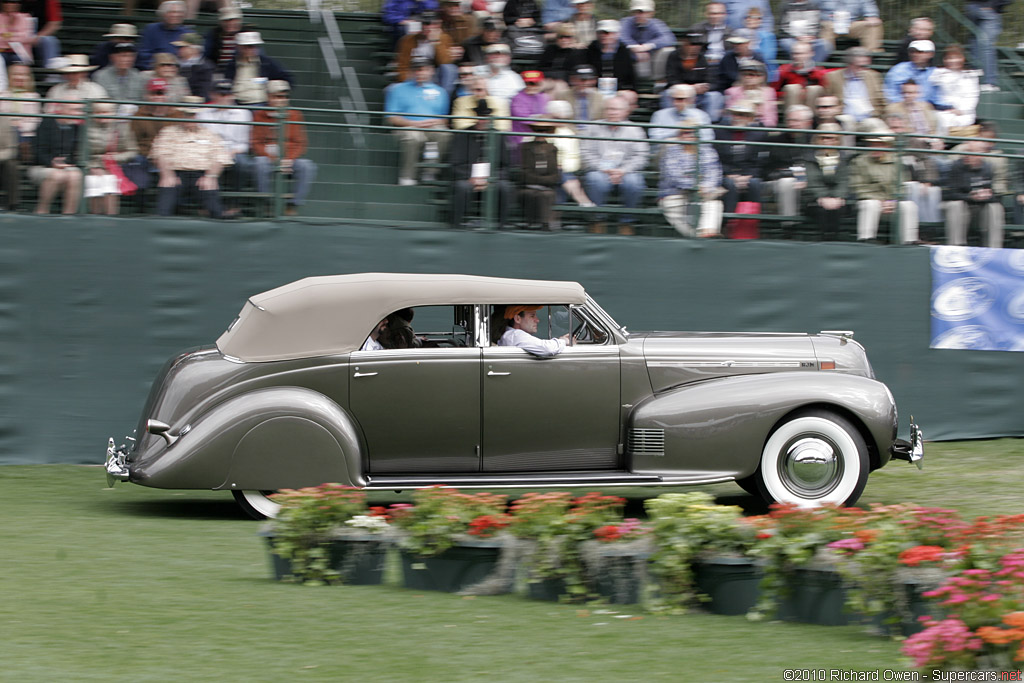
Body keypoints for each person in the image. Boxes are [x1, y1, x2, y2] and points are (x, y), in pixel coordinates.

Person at [150, 95, 232, 218]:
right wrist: (167, 174)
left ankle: (220, 219)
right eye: (187, 114)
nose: (190, 118)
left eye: (193, 115)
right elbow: (160, 153)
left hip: (202, 175)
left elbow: (220, 156)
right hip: (175, 174)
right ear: (182, 114)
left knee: (215, 209)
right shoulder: (168, 132)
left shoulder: (209, 134)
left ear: (197, 116)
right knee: (163, 209)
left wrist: (210, 176)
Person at [579, 95, 648, 234]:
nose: (612, 112)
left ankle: (626, 221)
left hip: (626, 171)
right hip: (600, 170)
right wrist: (604, 168)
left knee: (635, 183)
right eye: (609, 109)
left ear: (625, 112)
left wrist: (622, 170)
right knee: (594, 180)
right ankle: (598, 220)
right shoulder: (593, 128)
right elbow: (586, 153)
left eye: (616, 109)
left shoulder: (635, 130)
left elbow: (641, 156)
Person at [251, 80, 317, 216]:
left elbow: (301, 143)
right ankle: (267, 203)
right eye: (277, 96)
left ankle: (293, 204)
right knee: (259, 163)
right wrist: (273, 159)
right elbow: (256, 142)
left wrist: (289, 159)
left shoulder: (295, 114)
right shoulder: (259, 115)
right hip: (268, 158)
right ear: (268, 97)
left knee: (307, 166)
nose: (282, 100)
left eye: (285, 97)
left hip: (289, 159)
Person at [385, 56, 450, 186]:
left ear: (431, 71)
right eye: (417, 69)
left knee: (444, 134)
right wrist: (413, 124)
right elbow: (391, 117)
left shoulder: (440, 92)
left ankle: (430, 171)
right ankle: (407, 177)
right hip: (407, 127)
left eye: (424, 69)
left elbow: (444, 118)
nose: (420, 73)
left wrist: (432, 123)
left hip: (432, 127)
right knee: (413, 136)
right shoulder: (398, 89)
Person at [449, 98, 514, 228]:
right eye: (480, 117)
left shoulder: (498, 136)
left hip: (492, 178)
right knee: (462, 187)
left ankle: (502, 223)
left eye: (485, 117)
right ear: (476, 117)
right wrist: (473, 178)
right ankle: (459, 223)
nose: (483, 120)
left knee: (505, 187)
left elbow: (505, 166)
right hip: (469, 177)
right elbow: (455, 164)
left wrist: (491, 179)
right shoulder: (463, 135)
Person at [848, 131, 919, 243]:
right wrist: (880, 200)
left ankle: (909, 241)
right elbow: (858, 186)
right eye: (872, 144)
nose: (875, 147)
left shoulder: (897, 161)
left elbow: (902, 185)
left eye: (879, 144)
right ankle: (866, 239)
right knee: (870, 205)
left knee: (909, 206)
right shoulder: (859, 161)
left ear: (887, 146)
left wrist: (893, 201)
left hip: (891, 201)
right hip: (870, 200)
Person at [658, 123, 723, 237]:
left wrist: (705, 187)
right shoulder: (671, 151)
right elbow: (673, 175)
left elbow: (714, 173)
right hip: (676, 192)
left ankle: (707, 231)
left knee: (714, 204)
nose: (689, 135)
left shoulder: (707, 151)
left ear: (698, 135)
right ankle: (699, 236)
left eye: (693, 132)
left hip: (703, 193)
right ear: (679, 135)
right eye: (685, 132)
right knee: (669, 206)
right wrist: (695, 186)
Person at [944, 140, 1004, 247]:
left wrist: (987, 195)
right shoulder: (956, 166)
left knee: (995, 207)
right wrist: (970, 197)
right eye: (967, 151)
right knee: (956, 205)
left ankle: (994, 248)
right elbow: (950, 194)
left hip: (980, 207)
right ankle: (956, 247)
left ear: (981, 154)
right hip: (962, 206)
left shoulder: (988, 168)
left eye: (972, 152)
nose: (968, 155)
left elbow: (995, 195)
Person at [197, 78, 252, 191]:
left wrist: (230, 152)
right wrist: (216, 152)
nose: (225, 98)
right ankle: (207, 203)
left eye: (228, 94)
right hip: (209, 151)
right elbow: (200, 138)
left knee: (242, 164)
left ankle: (234, 202)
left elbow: (244, 143)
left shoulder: (244, 113)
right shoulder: (202, 113)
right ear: (212, 95)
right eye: (221, 94)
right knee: (198, 162)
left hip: (234, 151)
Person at [84, 101, 138, 215]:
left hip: (113, 164)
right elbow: (78, 153)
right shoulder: (85, 127)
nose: (102, 116)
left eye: (105, 112)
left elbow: (132, 151)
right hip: (90, 164)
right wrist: (91, 166)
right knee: (96, 177)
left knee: (107, 179)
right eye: (98, 112)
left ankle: (110, 217)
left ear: (112, 113)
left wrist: (116, 157)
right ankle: (94, 216)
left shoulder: (121, 128)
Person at [30, 100, 82, 214]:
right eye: (73, 110)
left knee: (75, 175)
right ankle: (41, 211)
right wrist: (51, 162)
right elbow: (37, 151)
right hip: (42, 166)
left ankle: (68, 215)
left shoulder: (77, 128)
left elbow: (77, 153)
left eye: (78, 110)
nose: (76, 113)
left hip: (67, 166)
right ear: (61, 110)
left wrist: (66, 162)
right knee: (56, 175)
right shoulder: (47, 123)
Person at [715, 100, 767, 215]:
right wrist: (728, 174)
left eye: (742, 115)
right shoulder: (719, 131)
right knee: (730, 184)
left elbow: (760, 162)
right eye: (735, 114)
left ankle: (754, 222)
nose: (737, 117)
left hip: (748, 174)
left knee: (754, 183)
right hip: (724, 173)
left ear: (750, 118)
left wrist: (747, 176)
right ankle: (728, 221)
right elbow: (715, 158)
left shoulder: (759, 134)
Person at [766, 104, 814, 222]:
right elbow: (768, 170)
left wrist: (804, 178)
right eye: (790, 120)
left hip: (811, 180)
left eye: (797, 121)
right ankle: (789, 224)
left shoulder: (815, 140)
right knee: (787, 183)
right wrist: (797, 176)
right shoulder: (776, 141)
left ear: (808, 123)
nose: (792, 124)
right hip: (779, 181)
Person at [542, 98, 594, 207]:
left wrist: (561, 166)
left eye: (563, 119)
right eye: (556, 118)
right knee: (562, 176)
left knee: (561, 177)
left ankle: (555, 220)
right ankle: (583, 200)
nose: (559, 122)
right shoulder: (539, 130)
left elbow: (574, 159)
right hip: (541, 169)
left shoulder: (569, 134)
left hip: (562, 173)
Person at [804, 123, 849, 240]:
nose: (826, 141)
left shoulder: (844, 158)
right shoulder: (809, 157)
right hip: (814, 198)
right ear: (817, 139)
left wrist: (838, 197)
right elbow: (812, 179)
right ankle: (824, 240)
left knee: (839, 208)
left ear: (838, 140)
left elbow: (844, 179)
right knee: (821, 209)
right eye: (822, 137)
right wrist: (823, 197)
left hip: (838, 198)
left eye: (831, 138)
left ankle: (835, 241)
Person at [225, 31, 294, 106]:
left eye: (253, 46)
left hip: (260, 103)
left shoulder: (266, 63)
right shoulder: (232, 64)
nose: (250, 49)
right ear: (239, 47)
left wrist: (277, 91)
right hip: (235, 103)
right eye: (246, 46)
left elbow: (287, 78)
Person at [663, 32, 719, 118]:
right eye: (692, 44)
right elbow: (672, 80)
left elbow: (710, 80)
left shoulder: (702, 58)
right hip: (679, 93)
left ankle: (709, 125)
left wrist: (705, 87)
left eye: (698, 44)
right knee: (667, 94)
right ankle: (670, 122)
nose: (696, 47)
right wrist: (690, 88)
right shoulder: (674, 56)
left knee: (714, 96)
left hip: (698, 94)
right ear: (685, 44)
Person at [395, 12, 455, 92]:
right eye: (425, 23)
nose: (428, 27)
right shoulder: (407, 40)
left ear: (438, 25)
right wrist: (405, 81)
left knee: (449, 68)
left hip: (433, 75)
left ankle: (444, 96)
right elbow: (402, 66)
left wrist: (435, 41)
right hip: (413, 74)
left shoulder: (444, 38)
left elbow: (444, 62)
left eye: (432, 24)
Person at [519, 116, 561, 229]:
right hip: (528, 186)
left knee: (546, 194)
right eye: (538, 130)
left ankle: (546, 225)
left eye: (544, 130)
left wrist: (541, 181)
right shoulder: (525, 147)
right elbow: (524, 173)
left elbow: (555, 175)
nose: (541, 133)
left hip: (546, 187)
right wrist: (542, 180)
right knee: (530, 194)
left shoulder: (553, 149)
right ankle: (531, 224)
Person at [824, 47, 885, 125]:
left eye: (866, 66)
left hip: (870, 117)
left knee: (875, 126)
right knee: (847, 121)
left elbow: (882, 101)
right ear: (849, 65)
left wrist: (878, 114)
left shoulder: (873, 76)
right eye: (859, 66)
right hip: (844, 117)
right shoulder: (833, 77)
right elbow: (828, 100)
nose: (863, 70)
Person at [619, 0, 675, 82]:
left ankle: (657, 83)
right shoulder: (625, 22)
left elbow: (668, 38)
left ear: (651, 13)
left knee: (668, 50)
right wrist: (634, 47)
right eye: (636, 12)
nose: (639, 15)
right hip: (629, 58)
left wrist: (647, 46)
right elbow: (620, 36)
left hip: (649, 58)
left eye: (643, 12)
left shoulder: (656, 24)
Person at [930, 44, 980, 133]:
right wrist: (944, 107)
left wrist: (961, 110)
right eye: (949, 58)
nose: (953, 61)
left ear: (962, 58)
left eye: (956, 57)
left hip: (964, 113)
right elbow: (933, 94)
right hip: (941, 110)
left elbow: (972, 96)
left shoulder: (970, 75)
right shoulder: (937, 73)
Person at [774, 40, 827, 114]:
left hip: (812, 100)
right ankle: (793, 119)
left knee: (814, 89)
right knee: (793, 88)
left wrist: (804, 93)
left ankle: (810, 121)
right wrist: (788, 93)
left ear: (811, 53)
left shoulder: (818, 70)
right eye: (795, 54)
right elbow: (774, 91)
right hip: (791, 99)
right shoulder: (784, 69)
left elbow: (825, 91)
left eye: (801, 54)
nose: (797, 56)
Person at [138, 0, 193, 71]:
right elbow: (143, 55)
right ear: (163, 14)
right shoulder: (151, 29)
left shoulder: (188, 33)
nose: (175, 15)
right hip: (153, 70)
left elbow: (191, 59)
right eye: (171, 12)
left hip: (178, 72)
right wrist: (160, 66)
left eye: (179, 12)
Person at [93, 42, 147, 112]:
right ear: (112, 57)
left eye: (130, 56)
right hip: (110, 117)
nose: (126, 59)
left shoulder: (139, 77)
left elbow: (142, 101)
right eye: (122, 56)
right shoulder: (100, 76)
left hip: (134, 117)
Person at [496, 305, 569, 356]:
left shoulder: (509, 334)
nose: (537, 320)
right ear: (518, 319)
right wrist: (564, 341)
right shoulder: (515, 335)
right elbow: (546, 348)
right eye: (532, 316)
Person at [966, 0, 1007, 91]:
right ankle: (976, 75)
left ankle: (990, 82)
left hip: (989, 10)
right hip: (973, 7)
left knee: (986, 47)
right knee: (974, 43)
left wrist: (994, 5)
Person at [586, 19, 636, 93]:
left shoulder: (625, 52)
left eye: (607, 33)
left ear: (616, 34)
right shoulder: (590, 50)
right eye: (601, 33)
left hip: (620, 89)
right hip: (595, 90)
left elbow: (631, 76)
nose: (604, 36)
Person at [818, 0, 883, 54]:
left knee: (874, 25)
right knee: (826, 26)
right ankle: (825, 60)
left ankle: (871, 56)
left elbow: (869, 7)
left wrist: (871, 16)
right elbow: (811, 7)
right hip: (829, 24)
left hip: (851, 24)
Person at [884, 40, 938, 105]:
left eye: (920, 52)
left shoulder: (935, 72)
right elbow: (891, 95)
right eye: (912, 52)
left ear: (930, 54)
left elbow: (937, 97)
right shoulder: (899, 70)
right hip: (902, 107)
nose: (915, 54)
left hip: (927, 109)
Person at [725, 58, 776, 128]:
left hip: (760, 129)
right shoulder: (731, 92)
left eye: (752, 74)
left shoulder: (768, 92)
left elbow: (770, 120)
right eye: (744, 74)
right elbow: (729, 116)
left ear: (761, 77)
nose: (747, 77)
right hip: (737, 126)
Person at [0, 62, 41, 146]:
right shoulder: (2, 95)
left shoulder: (34, 97)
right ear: (10, 76)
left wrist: (20, 126)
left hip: (25, 135)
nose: (19, 77)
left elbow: (35, 121)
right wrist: (10, 126)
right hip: (4, 134)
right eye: (16, 74)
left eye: (23, 74)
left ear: (29, 78)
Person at [508, 69, 548, 150]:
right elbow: (525, 120)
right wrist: (541, 118)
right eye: (529, 83)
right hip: (521, 138)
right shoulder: (517, 99)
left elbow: (548, 116)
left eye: (536, 84)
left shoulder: (543, 97)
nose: (533, 86)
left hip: (540, 137)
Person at [19, 0, 60, 73]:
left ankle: (51, 74)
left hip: (39, 37)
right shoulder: (12, 2)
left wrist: (37, 37)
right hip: (17, 36)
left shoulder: (49, 1)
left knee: (49, 41)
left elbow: (54, 24)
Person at [172, 32, 213, 100]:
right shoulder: (174, 63)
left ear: (194, 49)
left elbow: (203, 92)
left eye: (182, 47)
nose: (179, 50)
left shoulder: (205, 67)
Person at [692, 1, 730, 67]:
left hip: (723, 65)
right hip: (702, 64)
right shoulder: (697, 29)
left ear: (725, 15)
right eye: (712, 13)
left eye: (719, 13)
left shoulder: (731, 32)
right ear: (706, 14)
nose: (715, 16)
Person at [205, 5, 242, 72]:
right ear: (221, 22)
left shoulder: (245, 34)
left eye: (232, 20)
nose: (229, 23)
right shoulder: (214, 34)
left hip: (239, 70)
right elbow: (206, 55)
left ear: (238, 21)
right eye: (226, 20)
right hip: (217, 71)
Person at [0, 0, 35, 67]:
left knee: (17, 60)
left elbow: (27, 37)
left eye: (13, 2)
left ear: (18, 4)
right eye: (6, 2)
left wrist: (5, 36)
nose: (9, 5)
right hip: (1, 52)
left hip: (20, 53)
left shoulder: (26, 17)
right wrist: (16, 36)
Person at [0, 111, 18, 209]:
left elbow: (11, 150)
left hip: (1, 160)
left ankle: (12, 205)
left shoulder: (4, 121)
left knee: (11, 165)